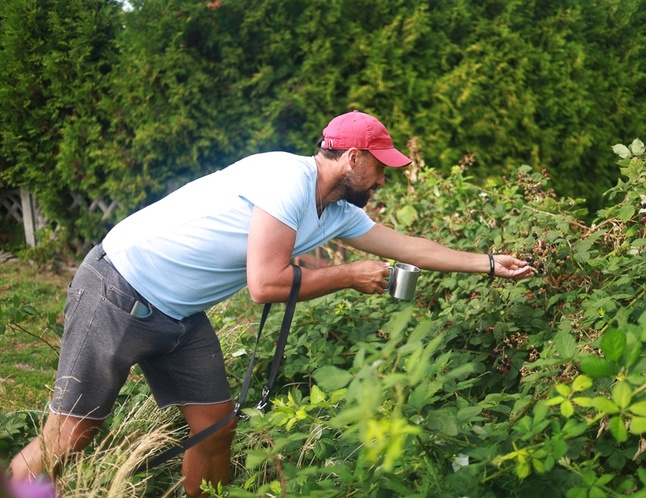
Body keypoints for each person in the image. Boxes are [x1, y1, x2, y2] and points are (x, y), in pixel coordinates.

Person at [9, 110, 533, 496]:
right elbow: (265, 284)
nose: (383, 178)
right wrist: (346, 274)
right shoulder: (288, 179)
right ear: (353, 157)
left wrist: (487, 263)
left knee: (217, 427)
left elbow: (411, 247)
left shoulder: (336, 213)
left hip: (180, 315)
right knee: (71, 437)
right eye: (380, 168)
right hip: (119, 287)